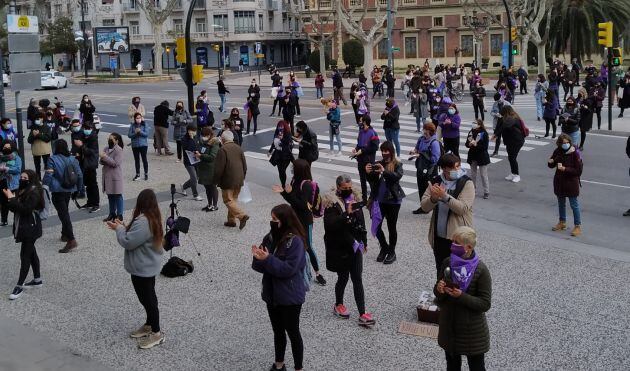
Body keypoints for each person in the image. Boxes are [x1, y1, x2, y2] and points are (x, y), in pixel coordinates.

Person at [251, 204, 307, 371]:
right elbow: (260, 266)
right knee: (278, 331)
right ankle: (279, 363)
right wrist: (258, 258)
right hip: (272, 294)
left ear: (285, 220)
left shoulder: (295, 241)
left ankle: (298, 367)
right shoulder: (270, 237)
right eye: (271, 218)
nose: (272, 222)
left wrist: (267, 259)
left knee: (293, 332)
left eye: (275, 219)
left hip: (289, 296)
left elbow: (289, 269)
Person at [107, 188, 165, 349]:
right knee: (146, 298)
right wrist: (123, 227)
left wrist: (119, 230)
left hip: (143, 268)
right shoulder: (151, 218)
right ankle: (148, 324)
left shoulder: (144, 221)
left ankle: (157, 333)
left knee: (148, 299)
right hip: (145, 266)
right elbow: (136, 236)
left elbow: (128, 242)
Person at [434, 226, 492, 371]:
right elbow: (438, 293)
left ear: (469, 247)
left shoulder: (481, 270)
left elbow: (485, 303)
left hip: (472, 331)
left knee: (477, 367)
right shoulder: (448, 263)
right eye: (453, 241)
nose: (452, 245)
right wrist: (439, 289)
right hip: (450, 327)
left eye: (457, 242)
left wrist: (461, 296)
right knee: (452, 366)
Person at [322, 175, 375, 326]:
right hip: (340, 247)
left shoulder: (355, 198)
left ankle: (362, 313)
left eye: (349, 187)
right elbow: (330, 225)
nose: (348, 190)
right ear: (338, 187)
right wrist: (346, 214)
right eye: (344, 188)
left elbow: (362, 221)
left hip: (355, 246)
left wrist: (364, 241)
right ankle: (338, 304)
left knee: (357, 278)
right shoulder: (332, 203)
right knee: (343, 277)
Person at [272, 159, 327, 286]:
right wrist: (283, 192)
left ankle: (317, 273)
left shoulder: (306, 184)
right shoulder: (294, 180)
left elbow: (302, 205)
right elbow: (292, 201)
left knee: (308, 246)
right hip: (293, 217)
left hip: (305, 220)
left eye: (293, 167)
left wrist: (288, 193)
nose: (291, 169)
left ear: (299, 170)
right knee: (286, 240)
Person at [420, 153, 475, 276]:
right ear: (445, 169)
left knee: (459, 273)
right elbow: (424, 206)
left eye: (458, 166)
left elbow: (462, 208)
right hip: (439, 237)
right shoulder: (436, 182)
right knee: (441, 270)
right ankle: (441, 294)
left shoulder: (466, 183)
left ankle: (458, 295)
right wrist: (433, 199)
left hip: (459, 238)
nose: (457, 170)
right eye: (454, 167)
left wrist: (444, 196)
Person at [5, 169, 45, 300]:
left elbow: (26, 209)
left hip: (30, 228)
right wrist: (10, 199)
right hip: (24, 226)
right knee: (31, 252)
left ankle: (19, 286)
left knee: (25, 255)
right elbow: (15, 208)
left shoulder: (34, 191)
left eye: (25, 177)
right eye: (21, 177)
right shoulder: (21, 190)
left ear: (31, 178)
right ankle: (37, 279)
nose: (22, 179)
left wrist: (12, 199)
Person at [366, 141, 405, 264]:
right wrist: (368, 173)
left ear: (391, 151)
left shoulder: (397, 164)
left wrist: (384, 171)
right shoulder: (379, 163)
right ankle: (384, 247)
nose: (384, 153)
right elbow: (373, 181)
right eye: (382, 151)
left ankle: (392, 251)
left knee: (391, 227)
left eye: (386, 151)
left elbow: (397, 176)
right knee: (376, 225)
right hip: (379, 200)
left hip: (393, 200)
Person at [43, 139, 83, 253]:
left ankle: (71, 239)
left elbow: (49, 175)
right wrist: (78, 189)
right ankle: (64, 234)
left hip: (57, 190)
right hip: (69, 189)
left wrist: (44, 186)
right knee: (65, 210)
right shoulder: (73, 159)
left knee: (63, 214)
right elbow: (79, 175)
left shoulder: (52, 159)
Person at [548, 134, 583, 237]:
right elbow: (551, 165)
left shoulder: (575, 153)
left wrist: (565, 169)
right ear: (559, 143)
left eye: (567, 142)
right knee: (561, 203)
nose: (566, 144)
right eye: (563, 143)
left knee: (574, 205)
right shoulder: (557, 151)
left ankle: (577, 226)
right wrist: (551, 162)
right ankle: (562, 222)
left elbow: (578, 171)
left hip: (571, 183)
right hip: (560, 182)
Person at [214, 130, 249, 229]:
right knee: (234, 200)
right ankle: (231, 221)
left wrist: (215, 180)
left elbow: (219, 169)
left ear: (223, 139)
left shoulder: (223, 149)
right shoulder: (239, 148)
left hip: (228, 179)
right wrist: (242, 177)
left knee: (228, 201)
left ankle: (242, 216)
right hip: (239, 179)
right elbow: (244, 166)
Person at [411, 122, 441, 214]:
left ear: (429, 131)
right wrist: (414, 152)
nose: (423, 131)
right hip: (420, 167)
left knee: (429, 188)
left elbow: (435, 158)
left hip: (430, 169)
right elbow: (417, 149)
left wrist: (422, 156)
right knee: (421, 187)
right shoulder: (421, 139)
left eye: (425, 129)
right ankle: (423, 207)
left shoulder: (434, 142)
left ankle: (431, 206)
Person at [493, 105, 525, 183]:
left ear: (506, 112)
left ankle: (517, 175)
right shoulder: (507, 118)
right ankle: (513, 173)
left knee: (513, 158)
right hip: (510, 141)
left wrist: (496, 134)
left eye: (503, 113)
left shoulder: (513, 118)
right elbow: (500, 127)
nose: (502, 115)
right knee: (510, 158)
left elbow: (504, 126)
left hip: (517, 141)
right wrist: (496, 134)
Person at [352, 115, 379, 204]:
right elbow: (359, 144)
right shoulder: (361, 132)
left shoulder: (373, 133)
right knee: (362, 180)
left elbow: (375, 147)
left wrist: (362, 150)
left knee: (370, 180)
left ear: (364, 122)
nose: (359, 122)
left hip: (368, 160)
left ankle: (374, 198)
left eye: (360, 121)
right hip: (360, 160)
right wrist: (355, 149)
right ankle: (364, 199)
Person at [74, 121, 100, 212]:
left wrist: (81, 146)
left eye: (88, 128)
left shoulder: (93, 137)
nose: (86, 130)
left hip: (91, 164)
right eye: (85, 128)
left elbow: (91, 152)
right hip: (85, 163)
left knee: (93, 184)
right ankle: (90, 202)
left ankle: (96, 204)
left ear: (92, 129)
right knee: (88, 184)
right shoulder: (84, 136)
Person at [100, 133, 125, 222]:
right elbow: (102, 161)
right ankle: (112, 213)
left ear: (116, 141)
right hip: (107, 175)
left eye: (111, 139)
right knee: (110, 195)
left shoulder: (119, 150)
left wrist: (105, 157)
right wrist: (103, 158)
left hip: (115, 176)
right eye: (109, 138)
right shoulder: (106, 148)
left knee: (118, 195)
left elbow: (115, 163)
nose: (109, 140)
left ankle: (120, 214)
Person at [465, 119, 491, 199]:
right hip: (473, 156)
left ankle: (486, 191)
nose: (473, 124)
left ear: (479, 125)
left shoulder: (484, 133)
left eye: (475, 123)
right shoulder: (471, 132)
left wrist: (476, 145)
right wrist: (469, 144)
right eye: (473, 122)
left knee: (483, 174)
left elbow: (485, 147)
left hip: (482, 156)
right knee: (473, 174)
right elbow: (466, 143)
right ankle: (473, 190)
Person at [197, 127, 220, 212]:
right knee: (207, 187)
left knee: (212, 187)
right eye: (203, 135)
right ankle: (209, 204)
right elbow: (201, 151)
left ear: (210, 135)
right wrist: (197, 153)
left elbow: (212, 157)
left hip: (211, 169)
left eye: (206, 135)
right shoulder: (202, 142)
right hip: (203, 168)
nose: (204, 137)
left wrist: (201, 156)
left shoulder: (215, 142)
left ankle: (215, 205)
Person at [0, 140, 22, 227]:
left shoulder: (16, 157)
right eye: (5, 147)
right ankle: (4, 220)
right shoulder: (1, 157)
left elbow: (18, 169)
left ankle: (16, 220)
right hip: (2, 182)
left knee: (13, 202)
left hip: (12, 183)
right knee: (3, 202)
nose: (6, 149)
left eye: (8, 147)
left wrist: (7, 169)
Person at [178, 125, 203, 201]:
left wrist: (198, 151)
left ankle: (184, 186)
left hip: (196, 160)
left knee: (196, 178)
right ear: (188, 131)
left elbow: (199, 146)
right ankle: (195, 195)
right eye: (192, 131)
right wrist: (191, 139)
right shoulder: (184, 139)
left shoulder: (196, 137)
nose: (194, 132)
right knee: (194, 178)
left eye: (195, 131)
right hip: (189, 162)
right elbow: (189, 148)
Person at [268, 121, 294, 188]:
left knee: (282, 170)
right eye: (279, 127)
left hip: (286, 155)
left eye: (281, 127)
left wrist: (282, 139)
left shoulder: (288, 133)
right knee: (280, 171)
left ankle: (284, 185)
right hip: (278, 154)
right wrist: (270, 151)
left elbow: (288, 143)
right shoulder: (277, 132)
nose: (280, 129)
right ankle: (283, 185)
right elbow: (274, 142)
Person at [27, 115, 52, 180]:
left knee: (47, 165)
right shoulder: (34, 128)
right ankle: (38, 179)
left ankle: (47, 179)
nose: (37, 120)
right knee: (37, 166)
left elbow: (48, 138)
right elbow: (29, 140)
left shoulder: (47, 127)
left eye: (38, 118)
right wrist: (34, 136)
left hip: (45, 150)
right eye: (36, 119)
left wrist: (39, 135)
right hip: (36, 150)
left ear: (42, 119)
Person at [128, 113, 149, 181]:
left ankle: (146, 173)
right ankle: (137, 174)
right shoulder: (132, 125)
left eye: (139, 117)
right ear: (135, 119)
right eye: (137, 118)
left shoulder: (144, 124)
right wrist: (135, 133)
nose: (138, 119)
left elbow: (146, 134)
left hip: (143, 145)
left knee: (144, 159)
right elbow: (129, 135)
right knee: (137, 160)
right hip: (135, 145)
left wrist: (140, 132)